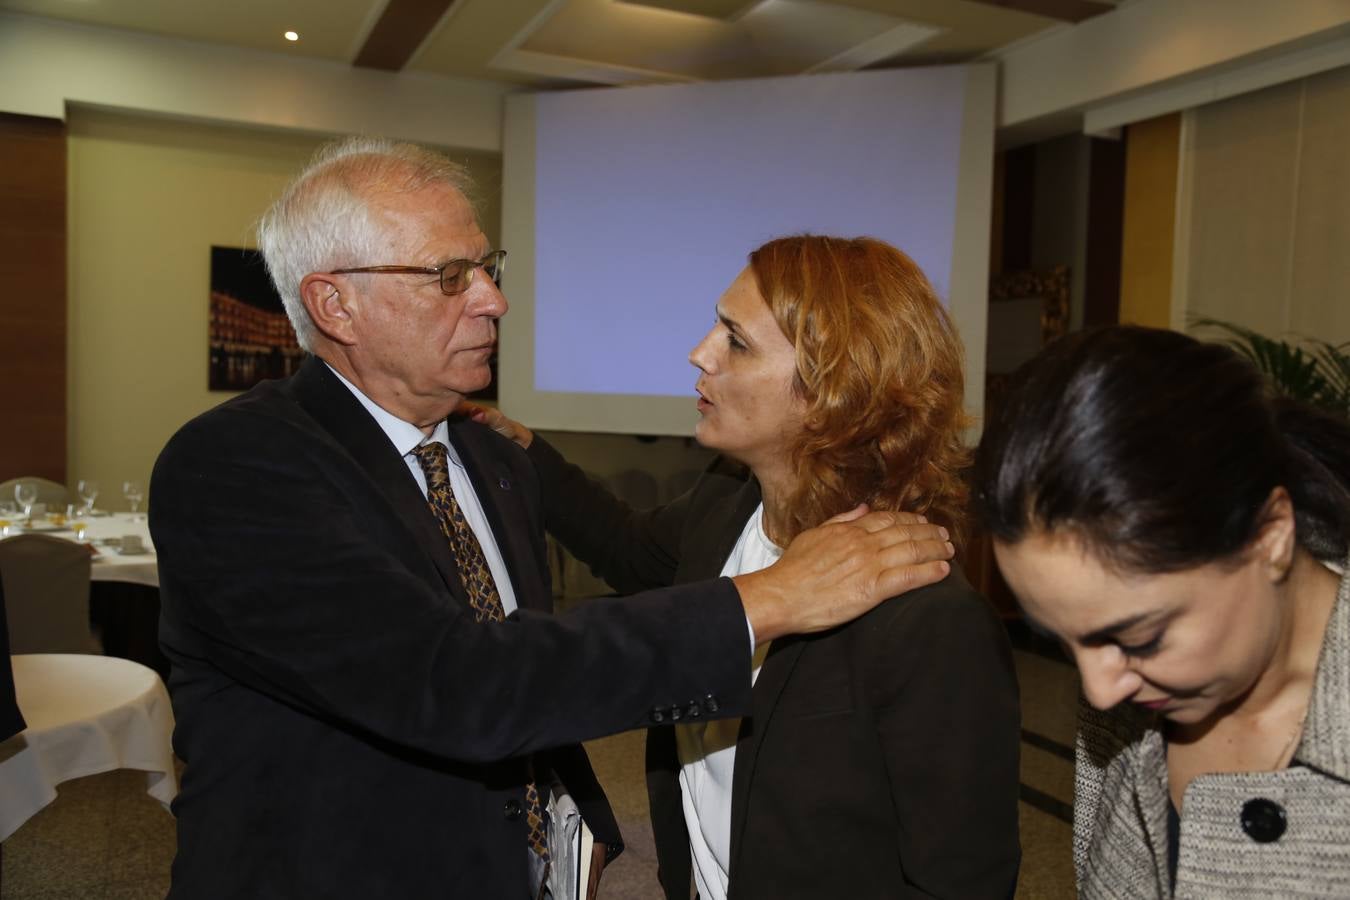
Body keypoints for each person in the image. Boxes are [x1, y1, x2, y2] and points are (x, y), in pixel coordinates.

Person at [149, 139, 956, 899]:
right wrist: (772, 597)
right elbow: (456, 682)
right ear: (337, 304)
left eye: (487, 268)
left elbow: (535, 655)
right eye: (451, 276)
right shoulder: (238, 466)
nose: (494, 299)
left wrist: (580, 819)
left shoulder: (492, 460)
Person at [476, 235, 1022, 898]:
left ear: (832, 390)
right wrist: (525, 450)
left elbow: (961, 879)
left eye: (735, 340)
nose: (699, 352)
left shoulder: (926, 619)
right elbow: (628, 549)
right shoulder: (726, 498)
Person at [972, 325, 1350, 897]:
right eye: (1064, 643)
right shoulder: (1131, 694)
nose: (1100, 691)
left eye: (1143, 638)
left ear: (1270, 535)